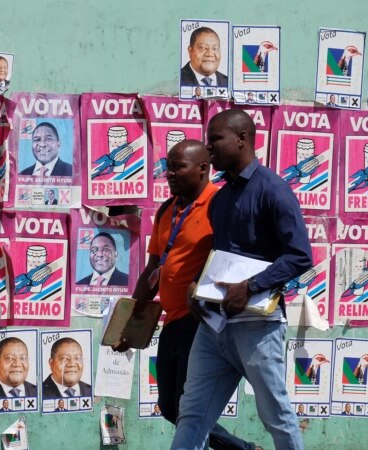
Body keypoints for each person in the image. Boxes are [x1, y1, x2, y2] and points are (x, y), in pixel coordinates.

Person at [171, 110, 312, 450]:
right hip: (215, 327)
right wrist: (197, 286)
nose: (209, 147)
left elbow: (300, 256)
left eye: (215, 139)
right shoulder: (221, 198)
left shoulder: (273, 190)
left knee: (275, 415)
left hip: (257, 328)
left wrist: (250, 287)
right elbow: (220, 255)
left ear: (242, 139)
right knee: (191, 413)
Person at [113, 139, 258, 450]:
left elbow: (234, 259)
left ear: (203, 168)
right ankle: (244, 449)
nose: (170, 174)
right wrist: (130, 321)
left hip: (203, 323)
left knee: (188, 407)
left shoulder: (220, 205)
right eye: (168, 168)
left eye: (178, 167)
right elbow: (154, 268)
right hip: (172, 321)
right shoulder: (167, 210)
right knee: (170, 406)